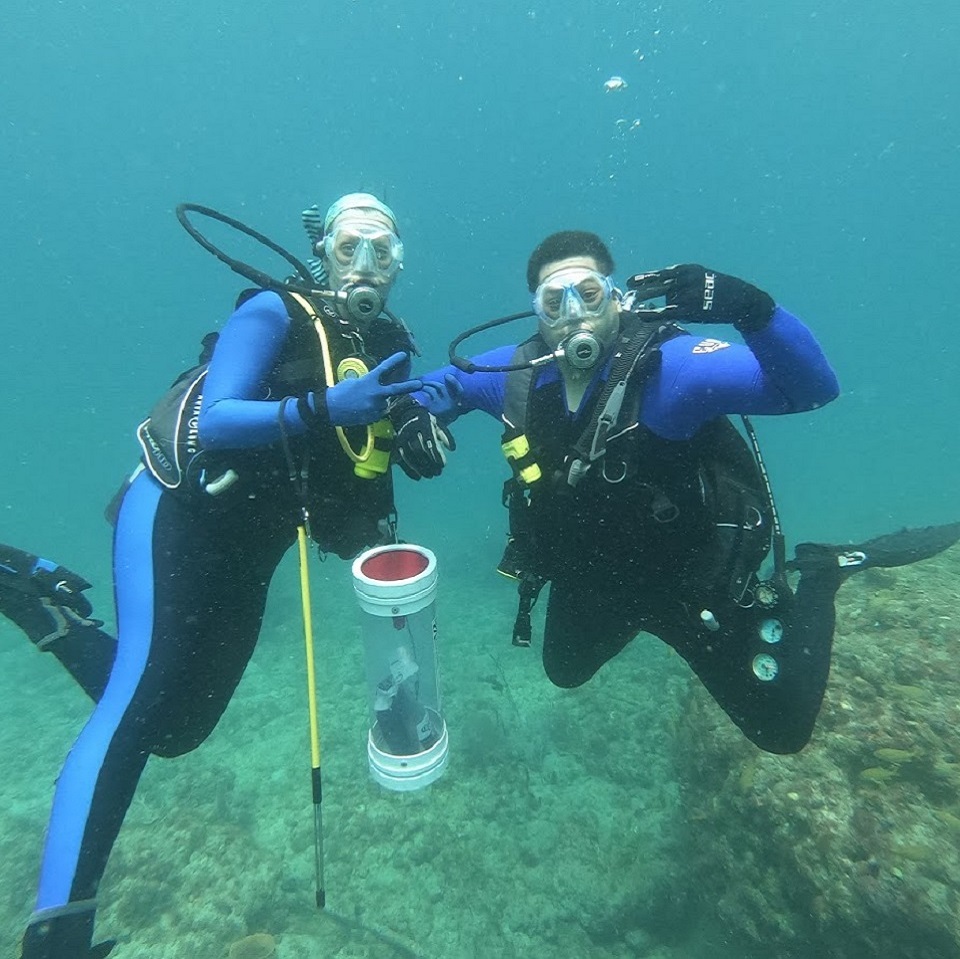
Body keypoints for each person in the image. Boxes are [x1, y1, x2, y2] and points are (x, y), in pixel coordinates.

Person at [0, 192, 454, 959]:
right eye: (350, 248)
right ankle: (57, 931)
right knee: (135, 709)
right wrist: (323, 407)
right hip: (178, 514)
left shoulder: (389, 343)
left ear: (402, 262)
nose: (366, 265)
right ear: (325, 253)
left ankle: (40, 610)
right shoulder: (275, 312)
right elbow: (214, 419)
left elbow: (355, 483)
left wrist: (413, 429)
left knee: (180, 730)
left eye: (382, 250)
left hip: (252, 547)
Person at [395, 230, 960, 759]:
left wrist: (753, 311)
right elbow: (442, 386)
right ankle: (631, 617)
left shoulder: (675, 369)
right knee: (564, 671)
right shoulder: (514, 376)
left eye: (588, 294)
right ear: (536, 311)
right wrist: (414, 415)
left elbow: (812, 389)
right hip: (592, 578)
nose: (574, 316)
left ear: (615, 298)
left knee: (781, 730)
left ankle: (820, 575)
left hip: (690, 583)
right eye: (554, 301)